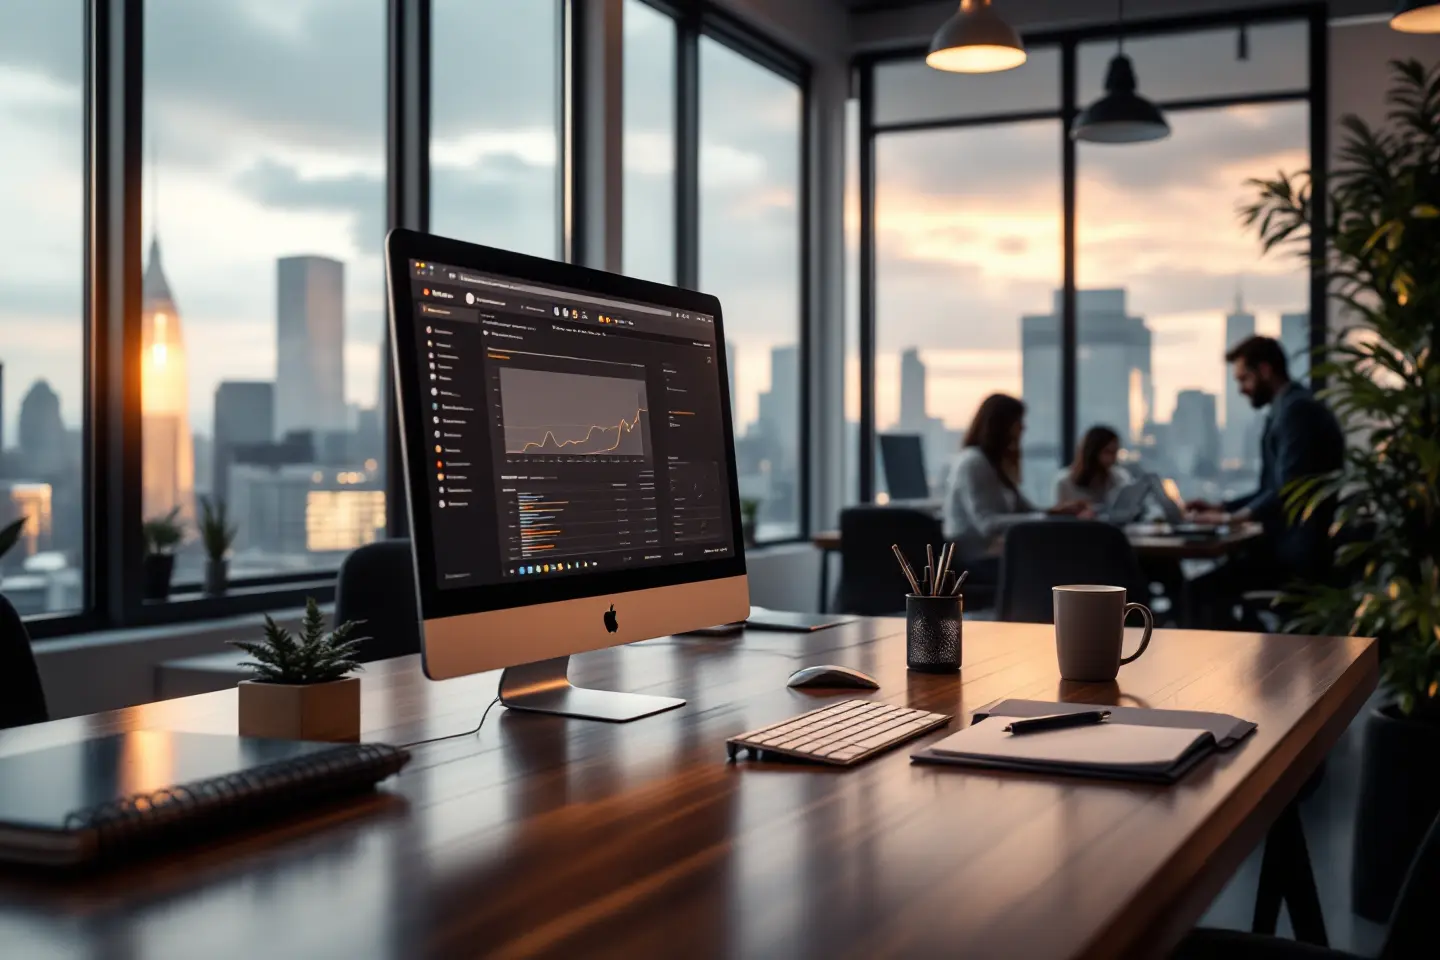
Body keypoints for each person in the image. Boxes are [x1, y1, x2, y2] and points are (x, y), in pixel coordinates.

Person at [1187, 334, 1344, 592]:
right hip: (1289, 546)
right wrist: (1221, 508)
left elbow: (1289, 488)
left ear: (1265, 370)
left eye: (1244, 379)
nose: (1241, 389)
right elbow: (1271, 488)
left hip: (1295, 553)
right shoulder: (1289, 407)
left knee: (1198, 593)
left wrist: (1232, 518)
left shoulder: (1296, 411)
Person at [943, 393, 1091, 584]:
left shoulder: (994, 464)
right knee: (1063, 567)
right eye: (1018, 421)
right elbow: (986, 524)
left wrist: (1056, 512)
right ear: (1001, 425)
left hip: (999, 553)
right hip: (976, 559)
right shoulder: (974, 462)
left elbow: (1025, 510)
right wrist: (1044, 518)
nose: (1023, 427)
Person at [1055, 425, 1132, 507]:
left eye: (1114, 452)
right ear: (1092, 452)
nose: (1112, 459)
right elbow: (1059, 514)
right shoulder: (1065, 483)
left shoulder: (1120, 478)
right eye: (1107, 452)